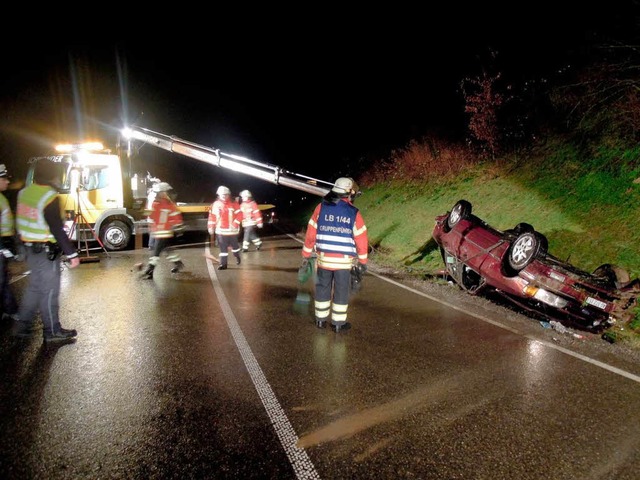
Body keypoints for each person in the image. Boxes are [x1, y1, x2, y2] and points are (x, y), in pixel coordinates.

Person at [12, 158, 80, 341]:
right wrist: (72, 253)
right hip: (45, 252)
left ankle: (21, 326)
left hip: (29, 250)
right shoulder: (49, 196)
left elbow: (19, 222)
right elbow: (56, 228)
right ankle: (52, 331)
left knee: (34, 289)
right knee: (49, 291)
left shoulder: (23, 193)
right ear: (52, 175)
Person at [300, 177, 368, 333]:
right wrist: (363, 261)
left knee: (322, 287)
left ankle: (320, 320)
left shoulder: (320, 208)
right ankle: (338, 324)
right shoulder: (353, 212)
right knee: (341, 290)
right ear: (348, 192)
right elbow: (361, 238)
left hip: (324, 260)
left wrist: (306, 253)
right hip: (343, 263)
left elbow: (311, 232)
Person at [142, 182, 185, 279]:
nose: (162, 194)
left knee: (156, 252)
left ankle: (150, 270)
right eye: (160, 192)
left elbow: (176, 217)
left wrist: (178, 227)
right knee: (167, 250)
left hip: (163, 233)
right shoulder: (158, 203)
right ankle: (178, 263)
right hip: (158, 231)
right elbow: (151, 215)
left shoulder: (167, 204)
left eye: (162, 192)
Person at [0, 164, 18, 321]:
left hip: (4, 244)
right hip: (0, 247)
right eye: (4, 179)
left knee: (4, 279)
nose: (7, 182)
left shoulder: (2, 197)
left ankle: (10, 309)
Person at [208, 186, 242, 270]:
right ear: (218, 195)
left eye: (225, 194)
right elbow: (212, 217)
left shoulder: (234, 204)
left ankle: (237, 256)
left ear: (229, 195)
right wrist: (211, 227)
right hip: (221, 231)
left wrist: (235, 223)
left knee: (235, 248)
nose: (224, 196)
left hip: (232, 231)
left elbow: (240, 215)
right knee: (223, 249)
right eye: (222, 194)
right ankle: (223, 264)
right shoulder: (215, 204)